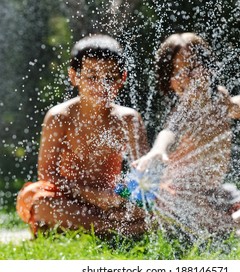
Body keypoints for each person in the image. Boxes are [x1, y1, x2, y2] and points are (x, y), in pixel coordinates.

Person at [132, 32, 240, 233]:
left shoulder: (219, 98)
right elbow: (168, 132)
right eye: (175, 72)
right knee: (190, 215)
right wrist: (157, 150)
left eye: (190, 68)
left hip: (219, 194)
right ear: (167, 80)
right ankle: (239, 226)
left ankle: (234, 224)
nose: (183, 78)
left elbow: (237, 106)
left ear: (208, 68)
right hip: (184, 199)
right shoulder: (181, 112)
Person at [16, 34, 150, 238]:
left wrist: (125, 196)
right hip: (69, 197)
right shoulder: (59, 117)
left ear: (122, 78)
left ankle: (96, 228)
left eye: (110, 77)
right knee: (40, 203)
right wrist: (91, 195)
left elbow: (142, 173)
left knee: (156, 205)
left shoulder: (128, 119)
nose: (101, 85)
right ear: (74, 76)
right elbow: (47, 175)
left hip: (110, 200)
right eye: (92, 77)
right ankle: (119, 230)